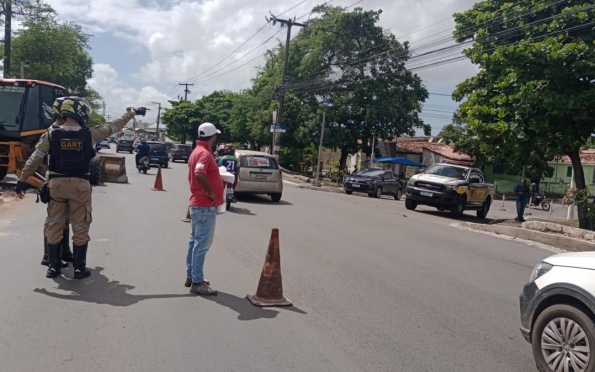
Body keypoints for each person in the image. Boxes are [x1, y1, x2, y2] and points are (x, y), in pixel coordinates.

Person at [15, 96, 145, 279]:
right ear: (81, 112)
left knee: (55, 224)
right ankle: (79, 268)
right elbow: (115, 126)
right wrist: (130, 114)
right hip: (80, 187)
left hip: (56, 185)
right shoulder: (90, 133)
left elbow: (35, 157)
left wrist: (22, 179)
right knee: (80, 226)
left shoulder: (51, 133)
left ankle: (53, 267)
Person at [185, 122, 223, 296]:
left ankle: (192, 276)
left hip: (198, 204)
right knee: (201, 245)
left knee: (194, 242)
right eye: (215, 136)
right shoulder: (205, 154)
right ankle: (197, 282)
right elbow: (199, 174)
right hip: (204, 205)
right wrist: (211, 193)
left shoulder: (196, 151)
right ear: (212, 137)